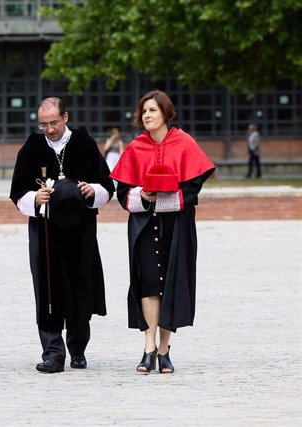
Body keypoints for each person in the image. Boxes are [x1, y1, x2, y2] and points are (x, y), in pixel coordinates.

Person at [110, 90, 215, 374]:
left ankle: (165, 349)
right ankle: (148, 347)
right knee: (148, 283)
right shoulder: (135, 147)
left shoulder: (184, 143)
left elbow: (192, 188)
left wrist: (163, 199)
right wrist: (145, 197)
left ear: (166, 113)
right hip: (144, 226)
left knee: (170, 283)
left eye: (153, 111)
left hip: (176, 226)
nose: (147, 116)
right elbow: (122, 194)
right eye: (144, 111)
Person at [9, 97, 114, 373]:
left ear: (65, 117)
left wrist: (93, 191)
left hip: (81, 232)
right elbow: (17, 192)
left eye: (54, 122)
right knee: (47, 290)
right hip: (45, 233)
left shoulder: (84, 144)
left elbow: (106, 185)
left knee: (81, 285)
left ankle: (78, 348)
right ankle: (53, 352)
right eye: (43, 124)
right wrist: (36, 197)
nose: (49, 129)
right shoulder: (32, 148)